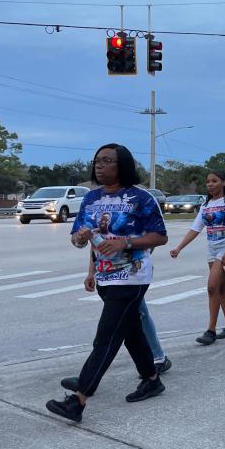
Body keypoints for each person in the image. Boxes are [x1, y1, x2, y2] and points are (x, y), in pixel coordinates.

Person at [46, 143, 168, 423]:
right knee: (131, 330)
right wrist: (81, 242)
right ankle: (152, 378)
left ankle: (79, 399)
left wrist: (125, 242)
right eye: (97, 161)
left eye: (107, 161)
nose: (100, 166)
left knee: (107, 337)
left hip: (133, 276)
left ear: (122, 165)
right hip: (104, 276)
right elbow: (78, 238)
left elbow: (159, 237)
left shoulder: (141, 198)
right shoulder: (90, 199)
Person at [169, 171, 225, 345]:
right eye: (208, 182)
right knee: (221, 288)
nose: (210, 184)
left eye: (214, 181)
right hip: (212, 249)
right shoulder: (206, 205)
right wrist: (179, 247)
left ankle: (210, 330)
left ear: (223, 183)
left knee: (212, 287)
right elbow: (196, 229)